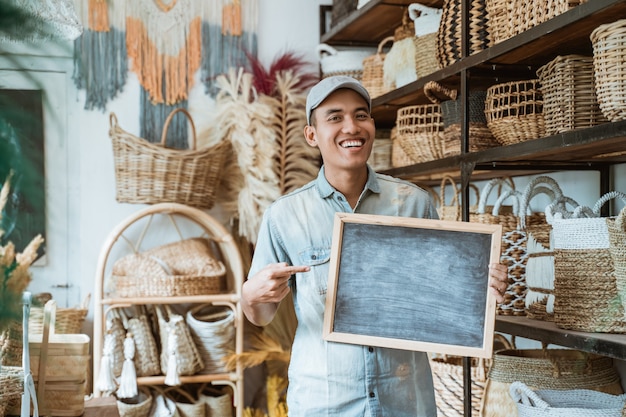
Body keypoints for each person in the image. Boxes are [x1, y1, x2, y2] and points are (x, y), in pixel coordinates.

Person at [241, 75, 508, 417]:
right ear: (312, 135)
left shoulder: (415, 204)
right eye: (335, 117)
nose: (351, 127)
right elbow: (260, 315)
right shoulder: (285, 215)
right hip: (323, 403)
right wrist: (251, 296)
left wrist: (480, 289)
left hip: (403, 399)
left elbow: (440, 300)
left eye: (361, 115)